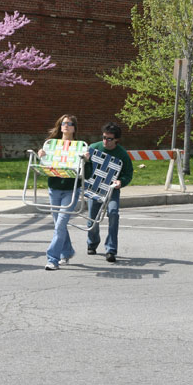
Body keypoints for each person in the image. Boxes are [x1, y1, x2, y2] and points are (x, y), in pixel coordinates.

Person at [85, 122, 134, 264]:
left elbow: (128, 174)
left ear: (117, 140)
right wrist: (86, 160)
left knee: (113, 214)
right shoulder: (94, 148)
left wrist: (121, 182)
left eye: (109, 139)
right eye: (104, 137)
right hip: (95, 188)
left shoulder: (122, 154)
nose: (105, 141)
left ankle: (111, 249)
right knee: (92, 217)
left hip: (112, 190)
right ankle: (92, 242)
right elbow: (85, 167)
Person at [39, 114, 82, 270]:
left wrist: (86, 160)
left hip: (71, 189)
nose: (66, 126)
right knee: (59, 225)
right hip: (54, 188)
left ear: (74, 128)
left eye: (70, 123)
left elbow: (87, 172)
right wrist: (41, 156)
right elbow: (45, 166)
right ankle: (67, 251)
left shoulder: (80, 147)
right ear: (60, 125)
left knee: (60, 225)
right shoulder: (51, 145)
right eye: (64, 123)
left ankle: (52, 259)